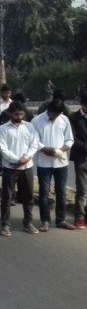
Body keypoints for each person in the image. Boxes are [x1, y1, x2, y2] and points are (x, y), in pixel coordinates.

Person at [0, 101, 41, 236]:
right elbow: (3, 149)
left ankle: (28, 223)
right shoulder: (3, 129)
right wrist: (17, 160)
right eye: (16, 114)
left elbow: (35, 144)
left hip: (27, 167)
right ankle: (5, 225)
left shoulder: (30, 127)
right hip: (10, 167)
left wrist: (26, 158)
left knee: (28, 196)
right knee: (7, 197)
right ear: (11, 113)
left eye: (22, 114)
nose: (19, 117)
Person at [31, 99, 75, 231]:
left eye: (56, 115)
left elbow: (69, 139)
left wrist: (61, 150)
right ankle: (45, 221)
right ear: (48, 110)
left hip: (61, 162)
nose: (53, 117)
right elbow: (34, 140)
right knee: (44, 193)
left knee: (61, 192)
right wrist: (45, 149)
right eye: (51, 114)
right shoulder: (37, 121)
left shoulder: (64, 120)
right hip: (44, 163)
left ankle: (60, 220)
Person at [69, 93, 87, 229]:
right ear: (82, 105)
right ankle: (79, 218)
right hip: (81, 158)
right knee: (81, 190)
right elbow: (73, 140)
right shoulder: (73, 117)